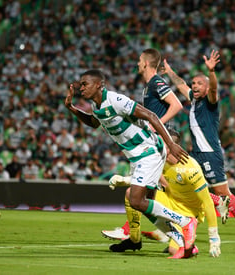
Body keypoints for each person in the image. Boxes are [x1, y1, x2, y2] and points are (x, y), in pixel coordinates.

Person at [65, 69, 197, 258]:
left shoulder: (116, 100)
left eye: (85, 84)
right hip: (136, 155)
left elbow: (151, 116)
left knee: (135, 200)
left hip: (148, 151)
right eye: (81, 84)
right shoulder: (96, 105)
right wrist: (71, 107)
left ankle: (185, 222)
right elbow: (94, 123)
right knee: (144, 204)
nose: (81, 87)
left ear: (99, 85)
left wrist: (170, 144)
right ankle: (184, 242)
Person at [100, 48, 193, 253]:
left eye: (140, 60)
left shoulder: (157, 82)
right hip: (153, 141)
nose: (137, 63)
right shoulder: (148, 86)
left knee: (136, 195)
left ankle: (181, 225)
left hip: (156, 143)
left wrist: (154, 126)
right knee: (141, 198)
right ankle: (147, 238)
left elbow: (176, 105)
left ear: (147, 63)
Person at [163, 50, 235, 245]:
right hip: (196, 154)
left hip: (210, 154)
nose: (195, 86)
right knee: (189, 187)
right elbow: (181, 84)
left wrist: (212, 72)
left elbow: (214, 90)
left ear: (206, 88)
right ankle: (185, 227)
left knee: (224, 193)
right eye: (194, 83)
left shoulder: (210, 102)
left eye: (199, 84)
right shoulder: (194, 100)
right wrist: (170, 71)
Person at [104, 129, 221, 257]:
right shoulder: (158, 158)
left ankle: (188, 243)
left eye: (161, 142)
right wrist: (124, 180)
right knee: (132, 193)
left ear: (173, 146)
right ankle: (134, 239)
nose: (156, 145)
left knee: (173, 251)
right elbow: (145, 180)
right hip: (168, 200)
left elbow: (207, 202)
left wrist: (213, 238)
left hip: (189, 211)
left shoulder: (190, 168)